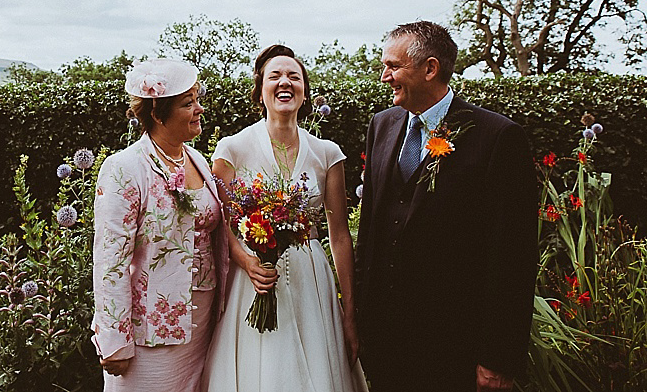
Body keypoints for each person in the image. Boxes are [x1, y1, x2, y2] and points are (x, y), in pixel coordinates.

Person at [354, 21, 539, 392]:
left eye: (392, 66)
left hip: (454, 347)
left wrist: (498, 356)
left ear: (430, 68)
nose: (384, 76)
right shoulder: (382, 125)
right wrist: (360, 320)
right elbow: (371, 231)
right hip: (385, 342)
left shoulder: (497, 138)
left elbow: (514, 257)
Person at [203, 44, 367, 392]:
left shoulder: (327, 153)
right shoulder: (232, 149)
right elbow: (221, 223)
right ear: (260, 90)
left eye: (294, 76)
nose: (285, 82)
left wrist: (349, 315)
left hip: (312, 281)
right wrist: (248, 262)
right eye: (275, 76)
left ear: (305, 93)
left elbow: (339, 236)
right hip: (254, 279)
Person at [92, 58, 230, 392]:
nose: (199, 109)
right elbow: (110, 261)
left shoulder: (197, 159)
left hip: (204, 321)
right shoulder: (124, 169)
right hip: (151, 329)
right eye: (188, 103)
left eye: (197, 99)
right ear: (157, 114)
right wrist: (114, 341)